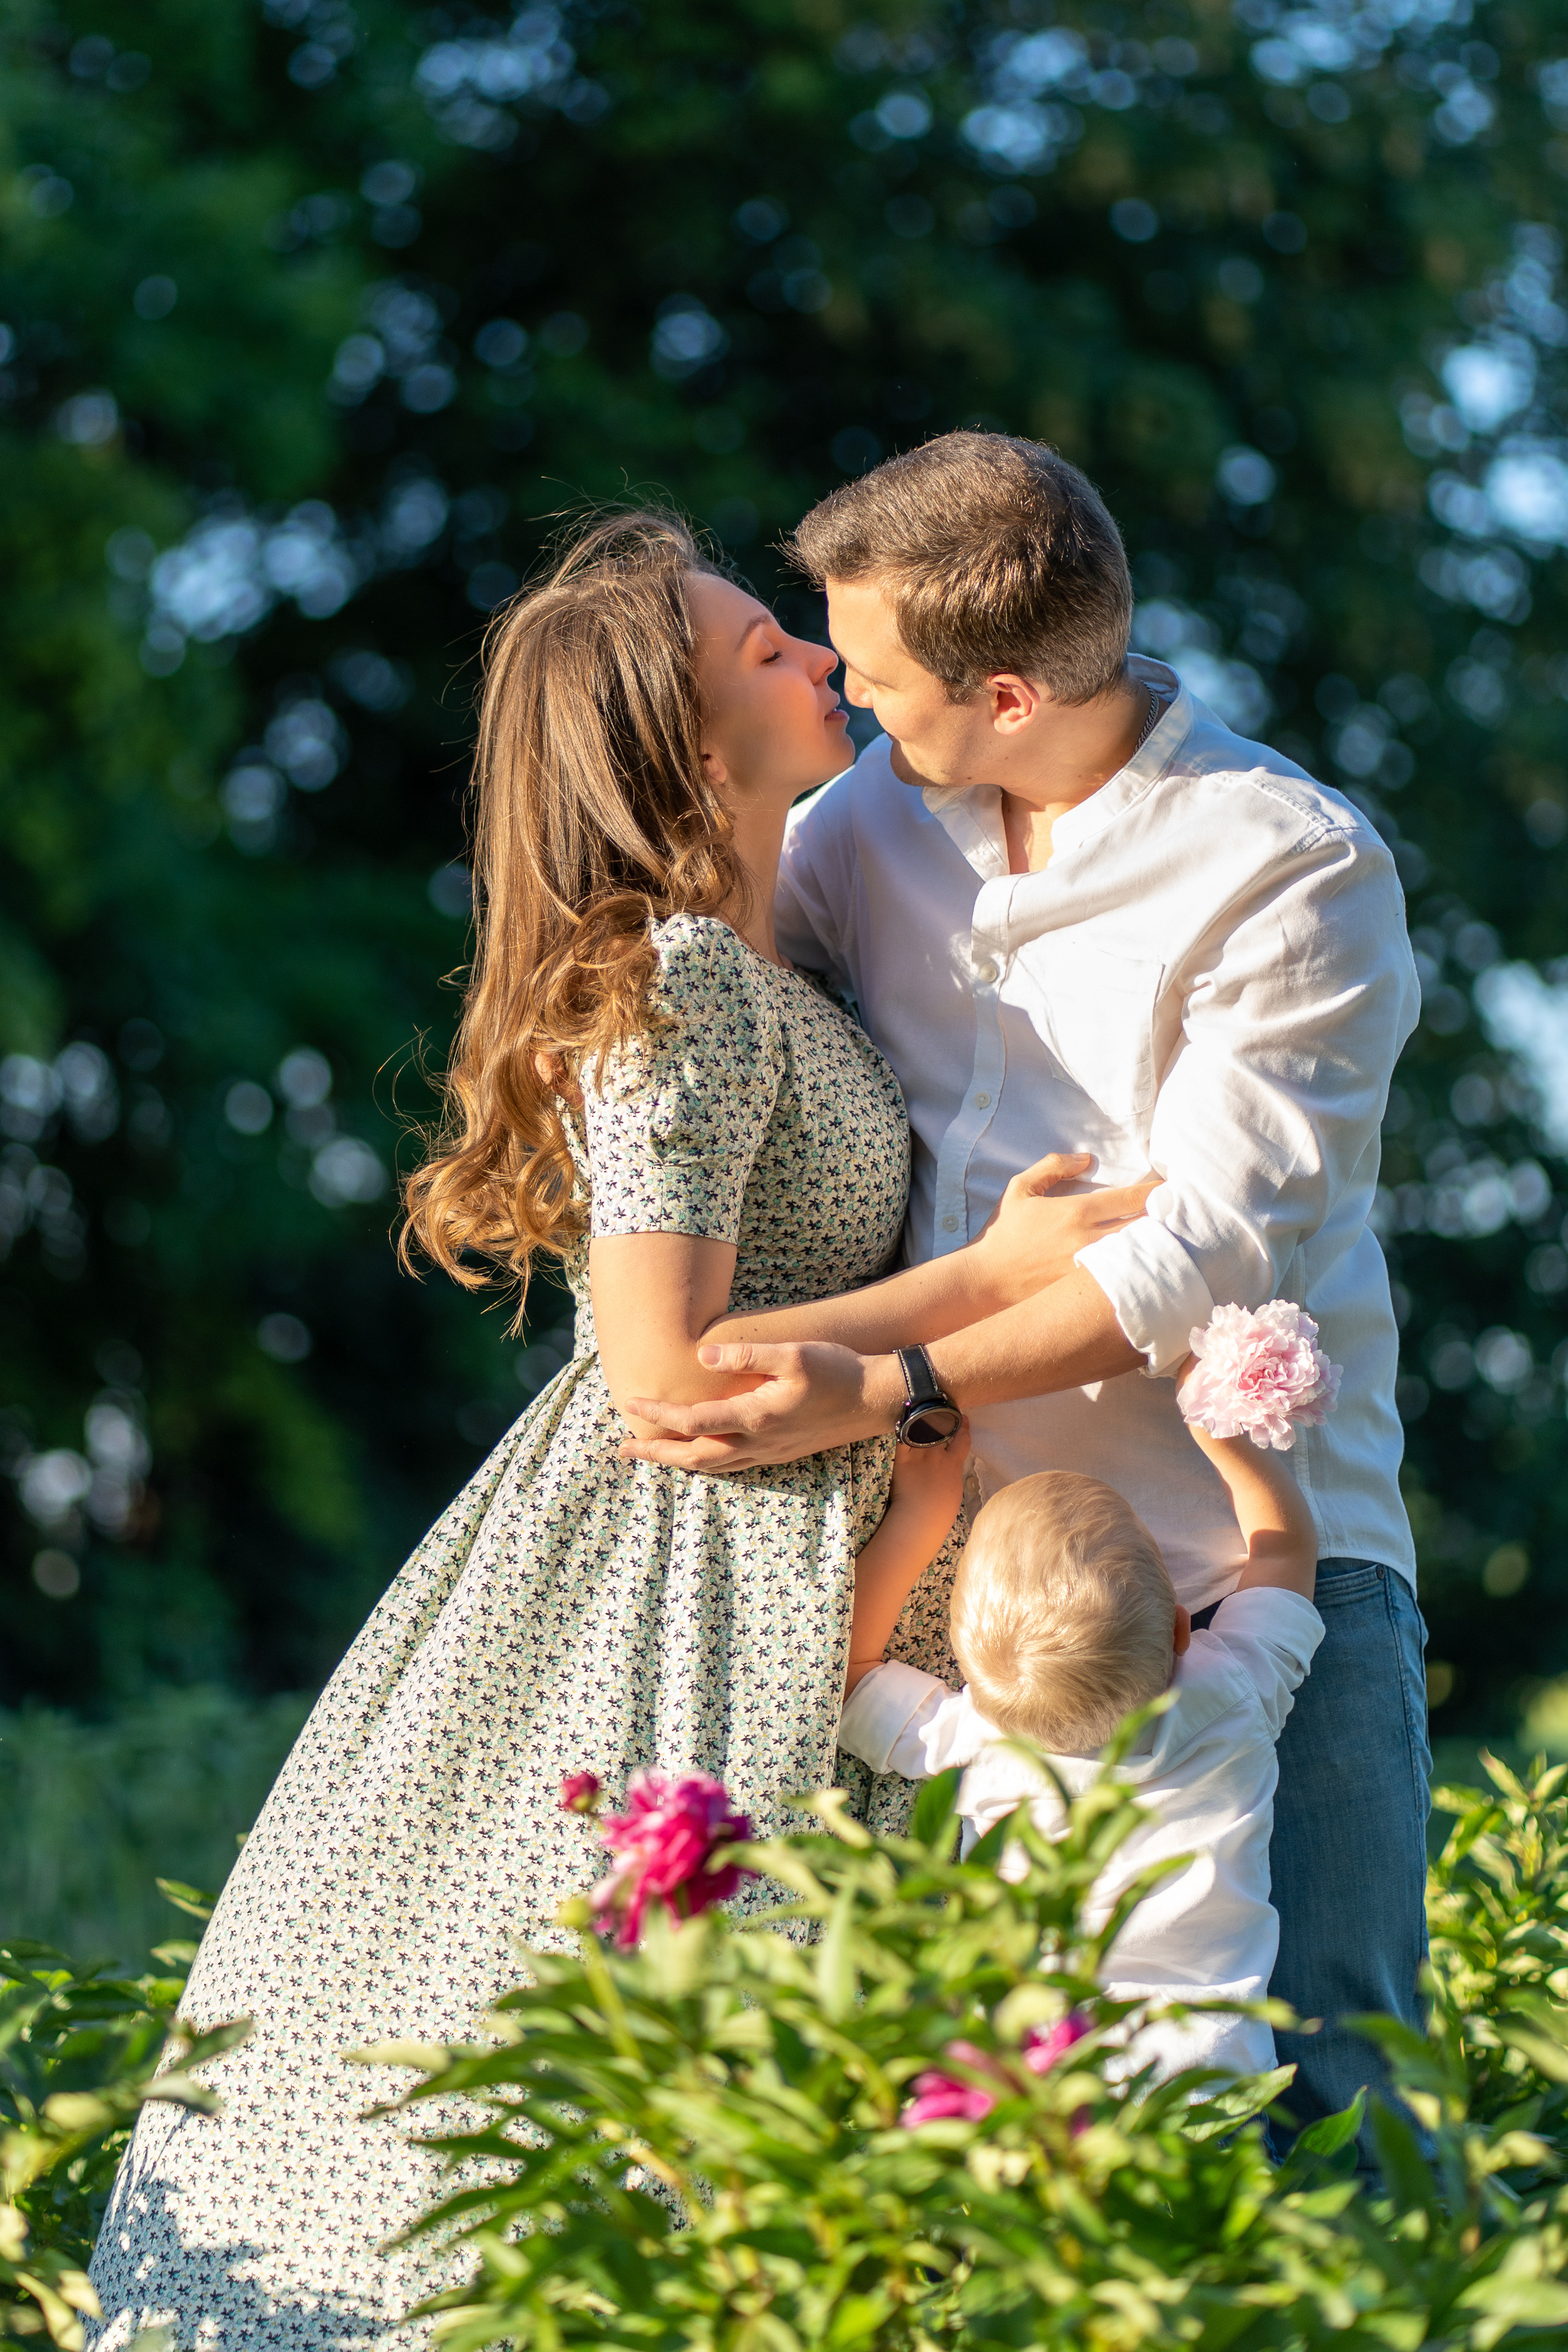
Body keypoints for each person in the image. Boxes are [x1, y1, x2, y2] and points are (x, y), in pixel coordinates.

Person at [87, 512, 1150, 2349]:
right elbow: (658, 1365)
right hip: (678, 1580)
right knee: (643, 2099)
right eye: (763, 650)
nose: (814, 654)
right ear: (684, 743)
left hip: (774, 1562)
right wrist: (982, 1281)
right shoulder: (685, 981)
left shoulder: (767, 968)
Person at [617, 431, 1428, 2141]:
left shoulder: (1290, 867)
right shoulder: (866, 825)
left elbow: (1198, 1255)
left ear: (1004, 694)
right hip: (963, 1595)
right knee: (994, 2125)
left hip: (1254, 1552)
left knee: (1336, 2092)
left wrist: (893, 1385)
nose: (842, 686)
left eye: (876, 670)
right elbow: (758, 1046)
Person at [837, 1384, 1323, 2082]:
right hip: (1210, 2073)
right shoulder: (1234, 1694)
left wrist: (922, 1513)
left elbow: (848, 1672)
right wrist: (1220, 1434)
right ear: (1181, 1626)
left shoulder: (979, 1743)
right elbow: (1287, 1553)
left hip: (1044, 2081)